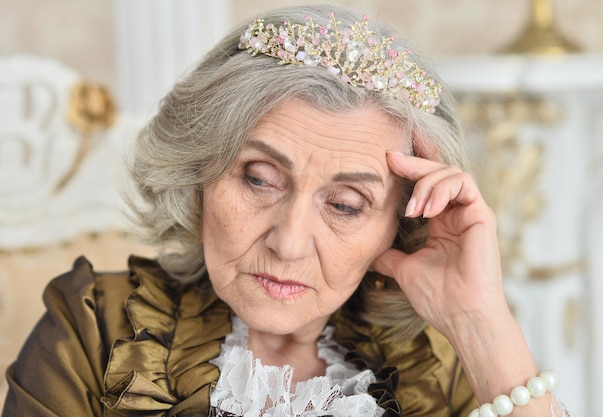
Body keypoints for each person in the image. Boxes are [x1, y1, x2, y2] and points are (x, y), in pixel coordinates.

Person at [2, 5, 570, 417]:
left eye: (346, 205)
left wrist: (480, 324)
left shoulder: (439, 365)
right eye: (259, 179)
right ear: (200, 173)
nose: (290, 242)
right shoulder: (94, 326)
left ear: (397, 226)